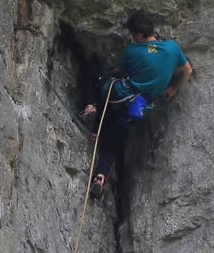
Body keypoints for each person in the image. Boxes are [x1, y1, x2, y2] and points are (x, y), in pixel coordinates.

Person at [73, 13, 192, 197]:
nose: (131, 37)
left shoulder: (133, 51)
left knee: (92, 70)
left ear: (139, 35)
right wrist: (174, 89)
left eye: (132, 34)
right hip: (134, 111)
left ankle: (91, 106)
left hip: (116, 96)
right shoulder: (172, 48)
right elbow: (187, 70)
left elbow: (120, 71)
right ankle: (100, 177)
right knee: (111, 141)